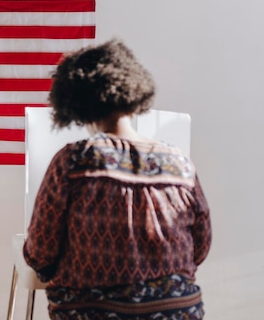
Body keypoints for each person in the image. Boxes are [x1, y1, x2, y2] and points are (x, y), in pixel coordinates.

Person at [23, 39, 212, 320]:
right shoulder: (178, 161)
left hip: (90, 312)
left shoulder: (73, 161)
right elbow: (201, 244)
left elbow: (41, 249)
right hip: (176, 311)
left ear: (76, 103)